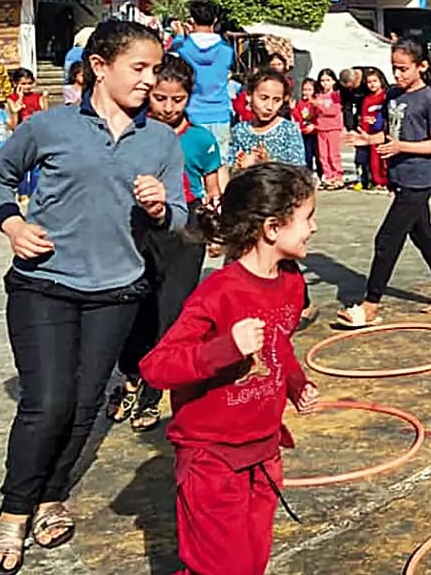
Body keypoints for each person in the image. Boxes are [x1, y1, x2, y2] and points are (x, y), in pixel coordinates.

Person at [0, 21, 187, 575]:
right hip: (44, 283)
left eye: (155, 70)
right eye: (139, 68)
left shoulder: (160, 140)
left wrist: (158, 209)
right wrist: (10, 223)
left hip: (118, 291)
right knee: (47, 402)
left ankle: (52, 496)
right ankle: (14, 509)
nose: (150, 81)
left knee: (82, 406)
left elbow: (177, 216)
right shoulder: (48, 126)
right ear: (100, 67)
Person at [140, 162, 320, 575]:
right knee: (222, 566)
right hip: (212, 458)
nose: (313, 228)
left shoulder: (291, 281)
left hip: (264, 450)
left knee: (251, 561)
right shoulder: (218, 293)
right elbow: (156, 368)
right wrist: (224, 349)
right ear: (272, 228)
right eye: (307, 218)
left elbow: (279, 345)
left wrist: (295, 384)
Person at [107, 53, 223, 433]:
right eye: (160, 98)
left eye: (178, 99)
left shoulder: (201, 139)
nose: (169, 107)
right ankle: (130, 378)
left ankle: (155, 388)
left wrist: (216, 230)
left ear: (189, 97)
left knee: (172, 311)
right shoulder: (130, 133)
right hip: (138, 225)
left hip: (186, 229)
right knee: (135, 305)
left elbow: (211, 192)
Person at [338, 39, 431, 327]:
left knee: (386, 239)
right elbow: (389, 134)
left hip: (419, 180)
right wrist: (367, 140)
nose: (397, 74)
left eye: (403, 69)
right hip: (398, 176)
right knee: (424, 235)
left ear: (421, 67)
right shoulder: (392, 96)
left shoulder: (430, 100)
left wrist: (402, 148)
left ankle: (371, 304)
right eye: (394, 68)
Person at [170, 0, 235, 159]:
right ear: (215, 21)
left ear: (192, 21)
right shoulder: (227, 51)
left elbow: (172, 53)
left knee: (193, 164)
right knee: (220, 164)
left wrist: (179, 36)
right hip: (220, 113)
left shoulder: (183, 49)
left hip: (192, 114)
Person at [229, 70, 305, 172]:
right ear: (249, 96)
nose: (270, 106)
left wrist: (266, 163)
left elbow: (298, 173)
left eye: (277, 100)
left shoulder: (289, 130)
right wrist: (239, 165)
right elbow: (227, 170)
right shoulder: (239, 131)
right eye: (263, 98)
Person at [312, 69, 346, 190]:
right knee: (323, 155)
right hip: (321, 128)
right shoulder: (318, 96)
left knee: (333, 154)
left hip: (333, 128)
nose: (324, 83)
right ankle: (328, 176)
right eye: (322, 80)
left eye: (327, 80)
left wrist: (318, 106)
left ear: (333, 81)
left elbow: (333, 111)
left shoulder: (335, 95)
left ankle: (338, 177)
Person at [292, 79, 320, 177]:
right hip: (305, 133)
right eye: (304, 90)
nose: (306, 92)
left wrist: (315, 126)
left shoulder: (316, 103)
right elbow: (298, 117)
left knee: (318, 155)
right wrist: (293, 109)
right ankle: (308, 174)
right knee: (307, 155)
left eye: (309, 90)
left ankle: (321, 174)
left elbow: (319, 116)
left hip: (315, 133)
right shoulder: (301, 103)